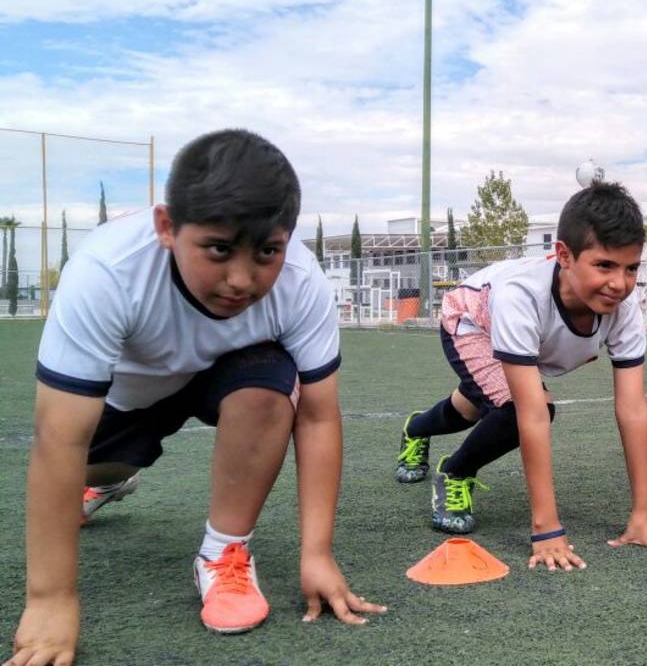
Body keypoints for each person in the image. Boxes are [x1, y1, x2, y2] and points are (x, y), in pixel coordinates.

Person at [9, 130, 383, 665]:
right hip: (130, 398)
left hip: (231, 377)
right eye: (219, 249)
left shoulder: (302, 282)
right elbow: (59, 439)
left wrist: (317, 552)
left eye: (268, 252)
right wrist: (49, 601)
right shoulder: (107, 271)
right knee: (87, 465)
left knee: (269, 386)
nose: (241, 279)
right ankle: (110, 480)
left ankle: (224, 551)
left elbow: (319, 418)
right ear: (167, 227)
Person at [395, 181, 647, 570]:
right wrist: (546, 528)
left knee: (474, 405)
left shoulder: (624, 306)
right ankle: (455, 472)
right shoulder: (521, 295)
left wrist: (643, 517)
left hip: (529, 341)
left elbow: (634, 409)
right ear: (564, 255)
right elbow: (531, 415)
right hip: (471, 323)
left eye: (631, 268)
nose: (620, 283)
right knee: (518, 408)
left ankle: (416, 429)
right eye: (604, 265)